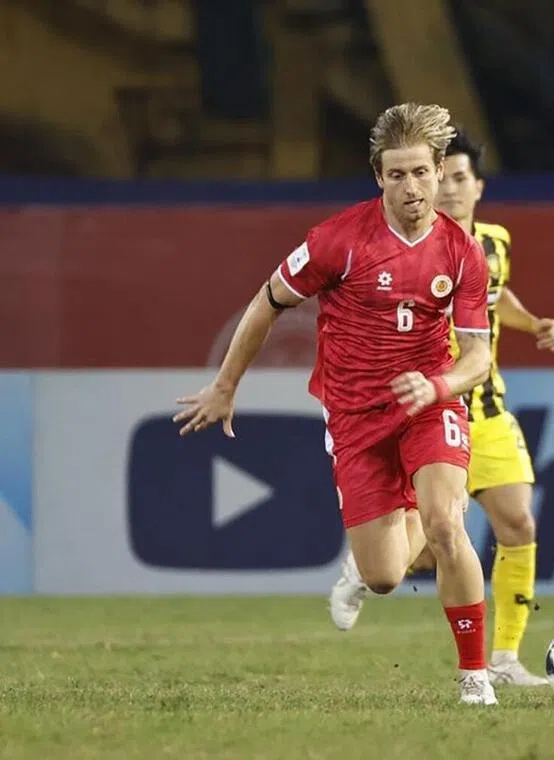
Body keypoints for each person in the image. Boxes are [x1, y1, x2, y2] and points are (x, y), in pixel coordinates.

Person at [173, 103, 499, 706]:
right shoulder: (338, 241)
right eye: (397, 175)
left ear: (438, 171)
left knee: (447, 525)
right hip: (354, 416)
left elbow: (478, 356)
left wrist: (440, 387)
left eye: (421, 173)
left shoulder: (462, 253)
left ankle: (474, 677)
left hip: (429, 403)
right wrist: (225, 385)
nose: (411, 187)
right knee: (383, 577)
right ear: (378, 176)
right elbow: (266, 302)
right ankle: (366, 564)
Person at [328, 130, 554, 687]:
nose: (452, 190)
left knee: (518, 521)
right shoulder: (412, 244)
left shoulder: (493, 243)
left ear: (477, 186)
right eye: (446, 178)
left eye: (462, 179)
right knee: (438, 529)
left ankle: (504, 659)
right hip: (426, 410)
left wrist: (534, 324)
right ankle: (366, 572)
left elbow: (496, 297)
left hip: (485, 404)